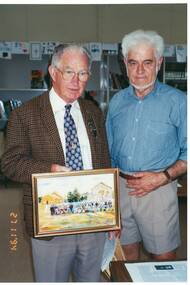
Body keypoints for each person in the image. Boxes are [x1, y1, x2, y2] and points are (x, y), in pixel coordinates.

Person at [1, 44, 111, 282]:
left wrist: (113, 215)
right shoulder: (25, 114)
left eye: (83, 73)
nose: (76, 80)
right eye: (69, 72)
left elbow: (104, 161)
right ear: (53, 72)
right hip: (50, 222)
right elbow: (10, 163)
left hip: (93, 220)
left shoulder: (93, 112)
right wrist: (48, 170)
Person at [106, 30, 187, 261]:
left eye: (147, 62)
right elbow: (109, 150)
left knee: (163, 257)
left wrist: (163, 177)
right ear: (125, 64)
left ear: (159, 63)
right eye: (133, 63)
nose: (140, 71)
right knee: (125, 253)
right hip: (121, 187)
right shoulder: (117, 101)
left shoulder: (179, 101)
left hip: (159, 189)